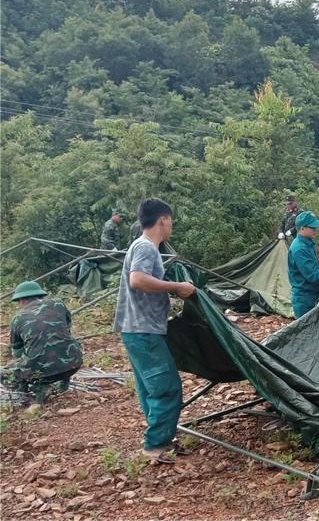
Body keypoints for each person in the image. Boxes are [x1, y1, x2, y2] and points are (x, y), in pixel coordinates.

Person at [113, 197, 196, 464]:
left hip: (135, 328)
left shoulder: (142, 246)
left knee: (150, 387)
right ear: (163, 219)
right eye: (170, 220)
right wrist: (176, 287)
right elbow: (137, 280)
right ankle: (155, 446)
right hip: (143, 330)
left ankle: (159, 439)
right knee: (166, 387)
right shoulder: (147, 247)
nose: (171, 225)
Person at [2, 281, 82, 410]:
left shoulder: (17, 318)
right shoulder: (58, 304)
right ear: (40, 295)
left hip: (43, 374)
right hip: (73, 364)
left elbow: (17, 353)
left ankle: (32, 391)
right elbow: (67, 328)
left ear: (21, 300)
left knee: (4, 372)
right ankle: (63, 383)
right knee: (65, 346)